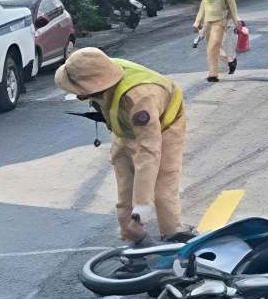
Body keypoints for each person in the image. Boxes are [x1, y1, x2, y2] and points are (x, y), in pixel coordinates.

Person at [56, 48, 193, 246]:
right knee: (125, 180)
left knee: (163, 183)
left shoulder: (139, 99)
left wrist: (143, 206)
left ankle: (173, 236)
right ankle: (132, 235)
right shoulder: (99, 68)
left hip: (164, 125)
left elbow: (149, 152)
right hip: (124, 128)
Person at [193, 0, 243, 82]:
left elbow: (233, 8)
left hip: (220, 21)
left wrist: (237, 22)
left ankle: (213, 74)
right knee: (214, 47)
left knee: (213, 46)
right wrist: (197, 21)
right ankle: (230, 60)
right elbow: (203, 7)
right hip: (207, 23)